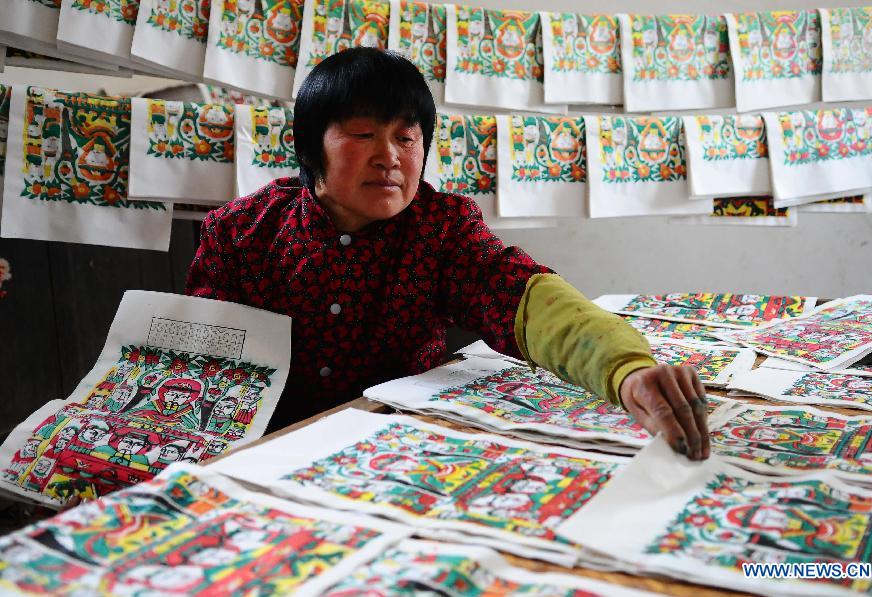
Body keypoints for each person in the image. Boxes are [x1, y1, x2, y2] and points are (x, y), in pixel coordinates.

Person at [185, 48, 710, 460]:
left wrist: (627, 368)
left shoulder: (442, 229)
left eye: (406, 138)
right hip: (264, 455)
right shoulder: (239, 234)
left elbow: (524, 299)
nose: (388, 156)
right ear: (309, 146)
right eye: (363, 134)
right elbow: (200, 372)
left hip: (401, 451)